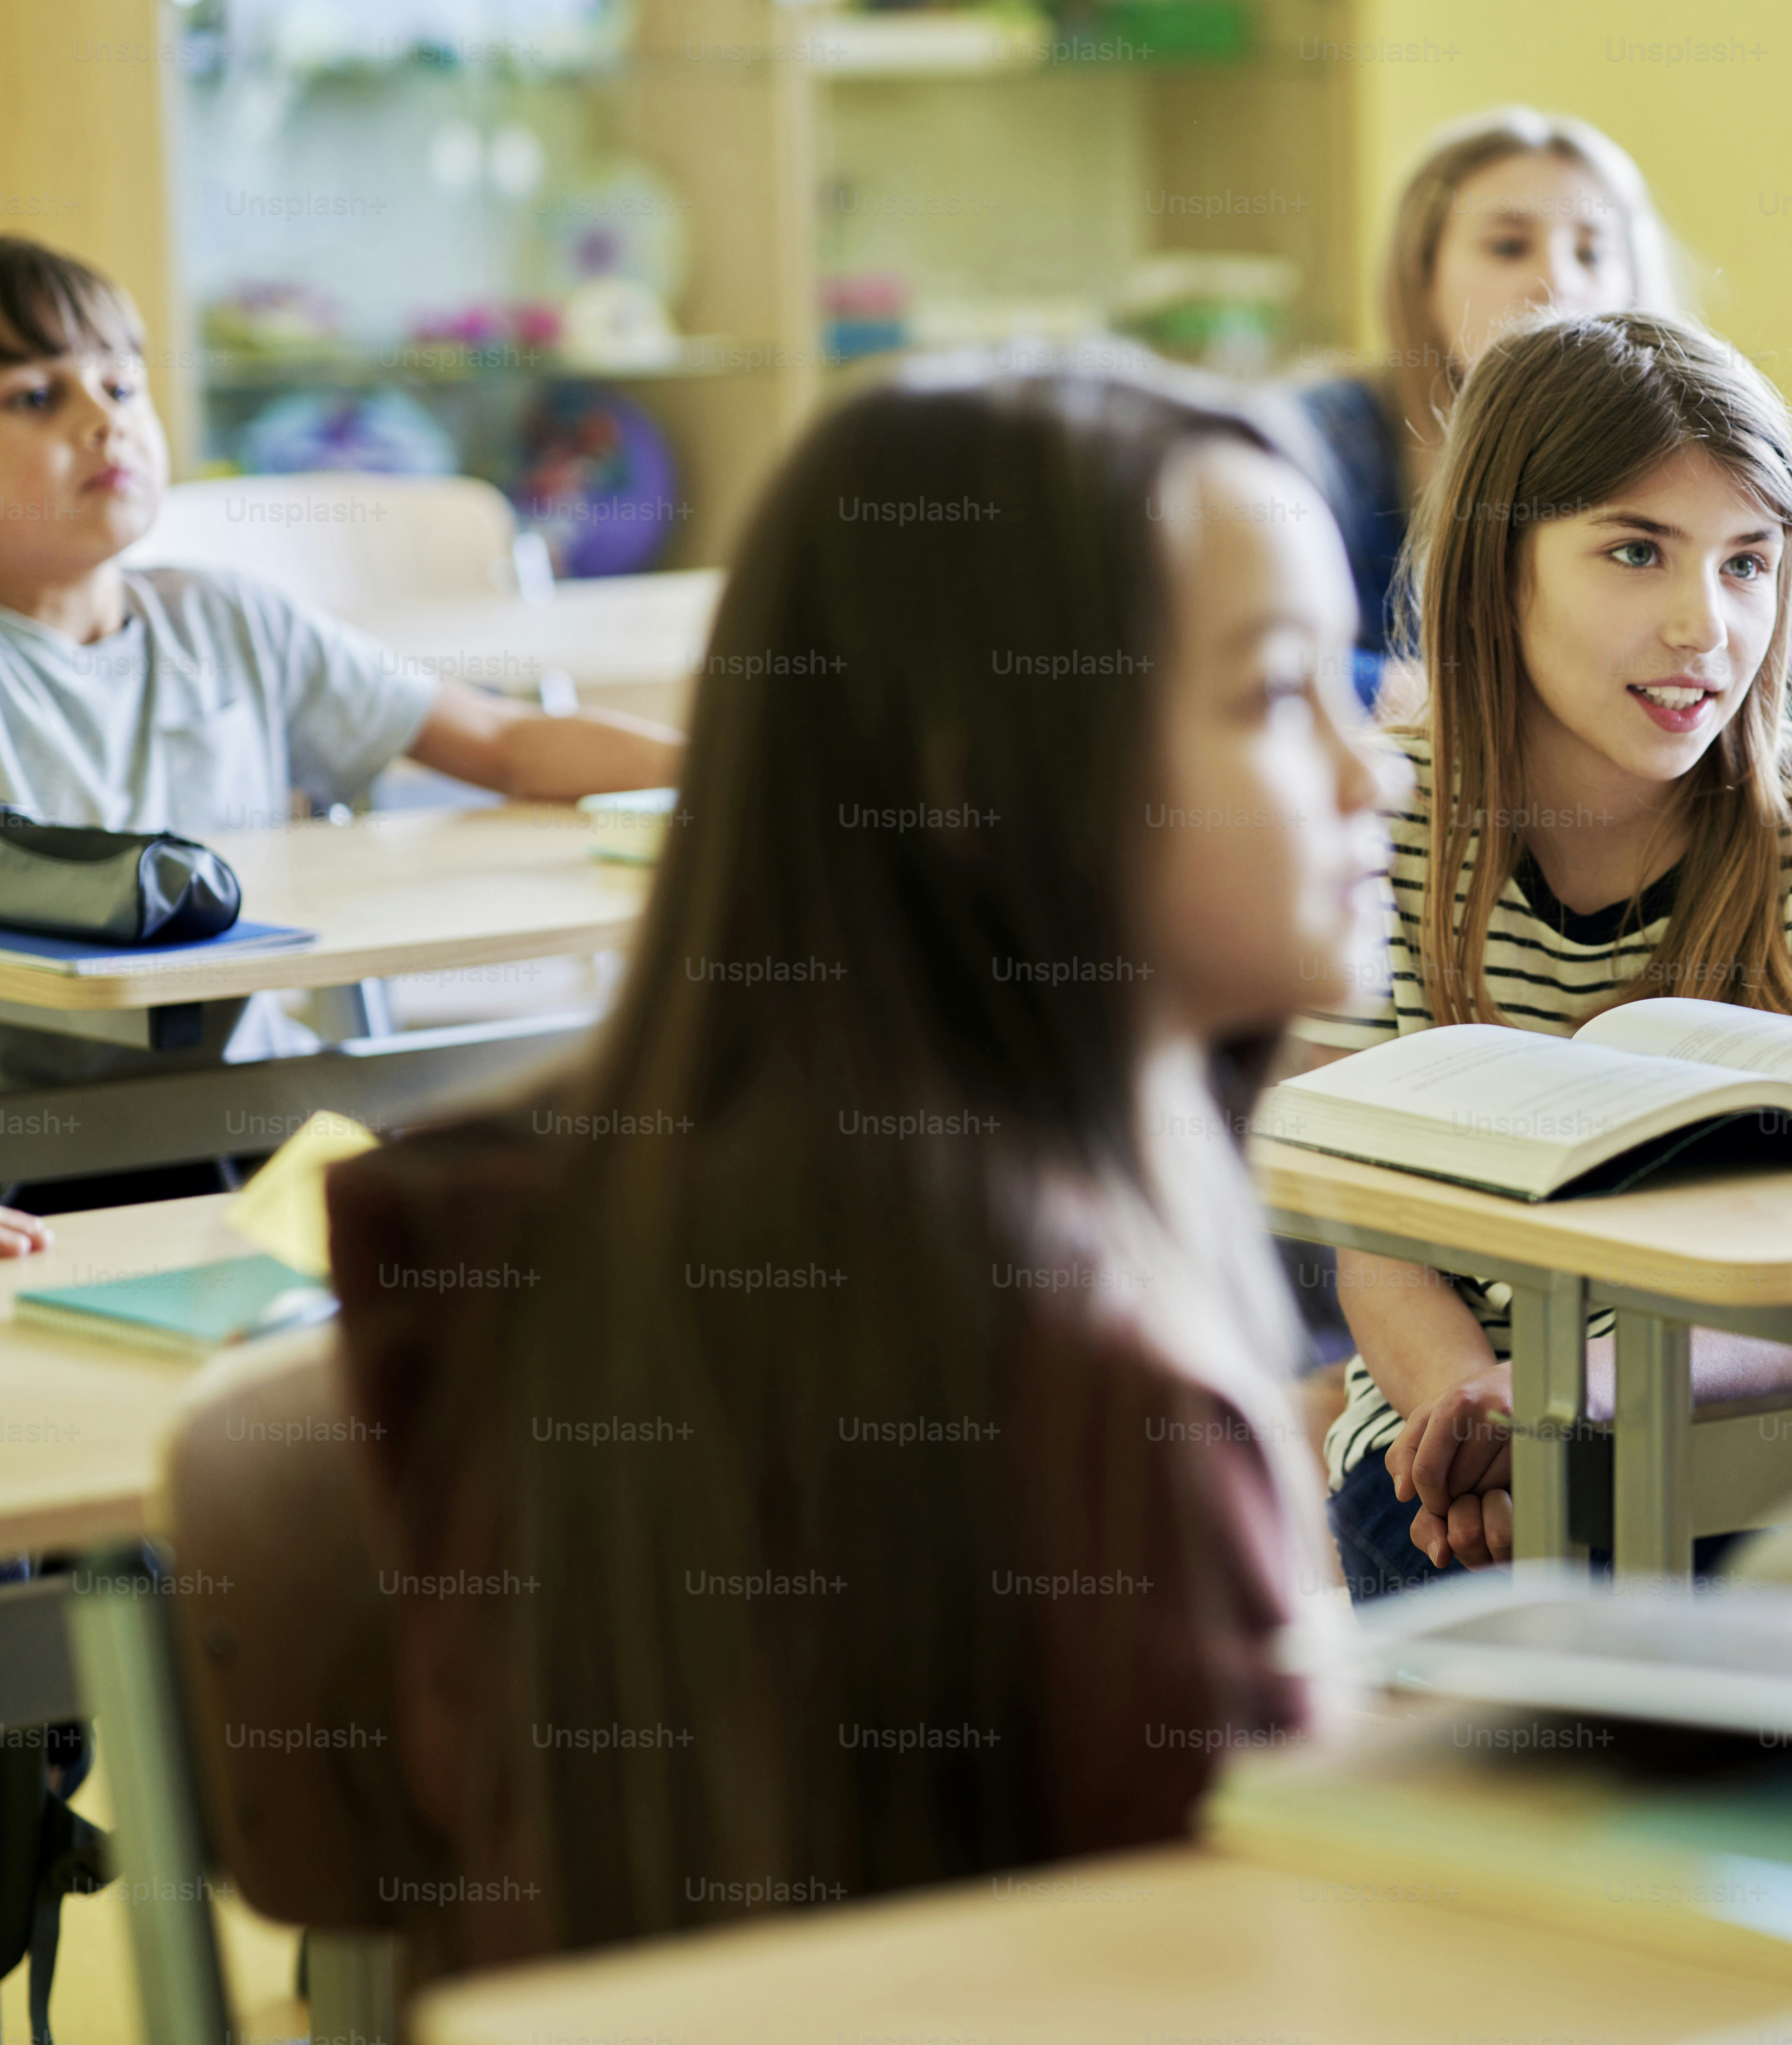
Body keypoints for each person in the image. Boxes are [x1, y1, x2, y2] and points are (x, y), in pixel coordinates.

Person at [321, 367, 1388, 1962]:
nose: (1369, 775)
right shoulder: (1117, 1393)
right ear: (973, 782)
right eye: (1270, 696)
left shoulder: (518, 1217)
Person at [1296, 310, 1792, 1597]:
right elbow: (1368, 1227)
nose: (1704, 625)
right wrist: (1478, 1428)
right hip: (1449, 1452)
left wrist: (1558, 1400)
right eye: (1637, 552)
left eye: (1748, 564)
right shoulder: (1383, 826)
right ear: (1500, 566)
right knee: (1552, 1731)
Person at [0, 234, 682, 1235]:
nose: (105, 421)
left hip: (252, 1125)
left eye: (122, 384)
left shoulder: (230, 619)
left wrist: (740, 773)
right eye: (35, 397)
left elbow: (502, 743)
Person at [1297, 108, 1792, 708]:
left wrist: (1743, 671)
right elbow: (1233, 655)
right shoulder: (1326, 439)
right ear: (1422, 274)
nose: (1559, 280)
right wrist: (1433, 694)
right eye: (1507, 246)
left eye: (1593, 251)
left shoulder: (1665, 444)